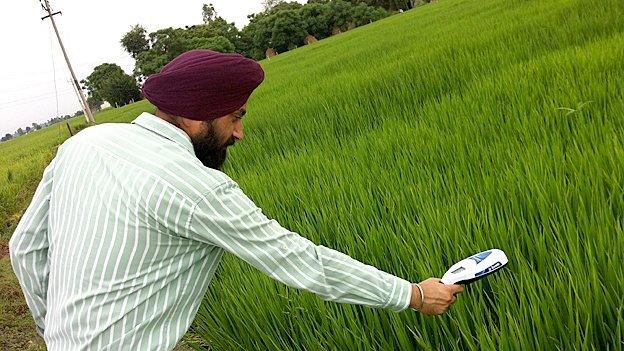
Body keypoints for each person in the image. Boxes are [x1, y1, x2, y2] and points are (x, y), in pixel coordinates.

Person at [9, 49, 464, 351]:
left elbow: (24, 249)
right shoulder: (195, 187)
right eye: (235, 116)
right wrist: (414, 295)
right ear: (194, 114)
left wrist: (55, 331)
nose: (240, 133)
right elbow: (301, 261)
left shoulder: (86, 143)